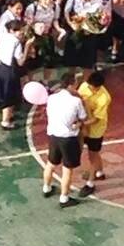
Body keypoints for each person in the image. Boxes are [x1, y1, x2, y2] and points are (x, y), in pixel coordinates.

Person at [42, 73, 87, 208]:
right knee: (67, 169)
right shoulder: (76, 101)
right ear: (71, 85)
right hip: (68, 138)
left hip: (54, 135)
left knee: (50, 163)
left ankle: (46, 188)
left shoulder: (51, 98)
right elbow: (83, 117)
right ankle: (64, 198)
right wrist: (78, 124)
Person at [77, 71, 112, 198]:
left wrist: (81, 124)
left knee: (92, 154)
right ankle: (99, 172)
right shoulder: (84, 86)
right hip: (85, 125)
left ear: (98, 87)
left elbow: (96, 119)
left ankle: (90, 183)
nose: (89, 88)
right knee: (93, 153)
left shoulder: (104, 98)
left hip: (96, 130)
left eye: (92, 87)